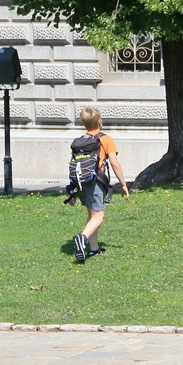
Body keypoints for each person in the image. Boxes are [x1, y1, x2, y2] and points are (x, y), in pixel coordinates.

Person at [71, 107, 129, 262]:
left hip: (82, 182)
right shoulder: (106, 139)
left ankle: (94, 249)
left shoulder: (79, 141)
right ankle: (82, 238)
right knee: (99, 216)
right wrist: (123, 184)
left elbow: (74, 165)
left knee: (92, 214)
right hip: (96, 181)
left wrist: (72, 191)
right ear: (99, 122)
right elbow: (114, 163)